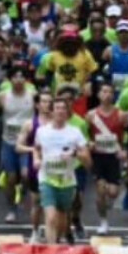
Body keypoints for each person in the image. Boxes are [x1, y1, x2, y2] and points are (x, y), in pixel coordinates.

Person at [32, 95, 90, 244]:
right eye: (57, 108)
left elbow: (87, 159)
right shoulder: (42, 131)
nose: (60, 111)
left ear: (67, 112)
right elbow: (36, 148)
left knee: (62, 218)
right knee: (51, 217)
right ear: (51, 111)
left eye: (64, 108)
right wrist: (36, 159)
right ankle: (52, 250)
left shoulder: (75, 132)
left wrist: (75, 154)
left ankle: (58, 241)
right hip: (47, 179)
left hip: (67, 181)